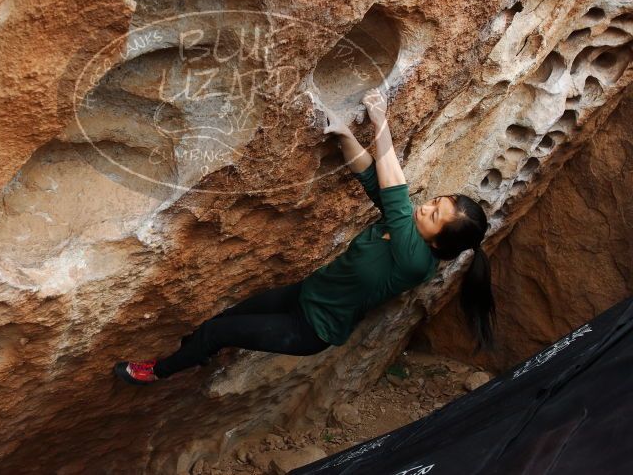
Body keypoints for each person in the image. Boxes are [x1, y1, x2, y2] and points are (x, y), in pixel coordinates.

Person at [114, 88, 494, 386]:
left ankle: (158, 372)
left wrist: (381, 120)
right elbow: (373, 178)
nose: (426, 207)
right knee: (226, 318)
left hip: (310, 329)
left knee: (216, 331)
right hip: (305, 293)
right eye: (436, 201)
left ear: (438, 244)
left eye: (435, 215)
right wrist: (344, 134)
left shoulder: (414, 261)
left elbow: (394, 187)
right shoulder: (406, 227)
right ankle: (196, 350)